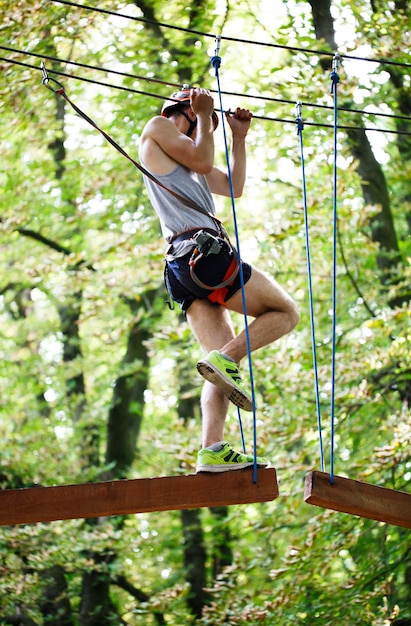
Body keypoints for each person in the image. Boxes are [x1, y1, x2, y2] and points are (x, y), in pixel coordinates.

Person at [139, 85, 299, 473]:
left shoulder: (188, 158)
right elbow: (199, 156)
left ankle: (212, 449)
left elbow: (234, 186)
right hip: (203, 254)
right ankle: (225, 359)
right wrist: (208, 122)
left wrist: (239, 138)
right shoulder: (158, 128)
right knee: (286, 313)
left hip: (184, 270)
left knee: (220, 370)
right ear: (188, 111)